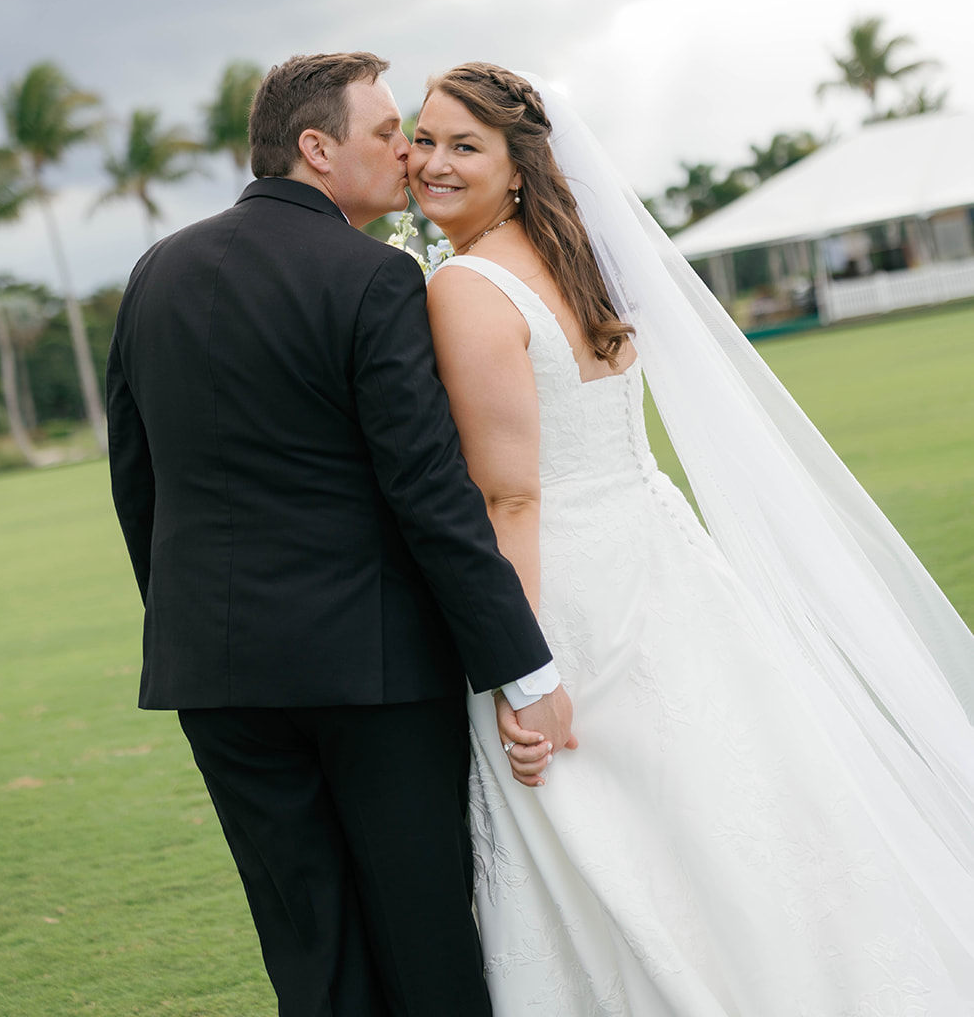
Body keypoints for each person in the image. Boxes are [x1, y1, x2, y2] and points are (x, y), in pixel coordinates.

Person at [410, 61, 974, 1016]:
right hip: (660, 553)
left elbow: (509, 499)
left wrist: (523, 671)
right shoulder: (582, 253)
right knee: (728, 804)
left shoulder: (465, 285)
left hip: (567, 588)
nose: (431, 162)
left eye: (464, 145)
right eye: (422, 139)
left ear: (518, 165)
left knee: (616, 832)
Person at [107, 51, 574, 1017]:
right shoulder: (376, 278)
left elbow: (137, 485)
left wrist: (199, 626)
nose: (406, 152)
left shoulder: (155, 272)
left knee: (308, 948)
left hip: (217, 675)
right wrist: (522, 671)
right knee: (426, 942)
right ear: (317, 149)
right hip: (374, 676)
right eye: (386, 132)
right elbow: (431, 495)